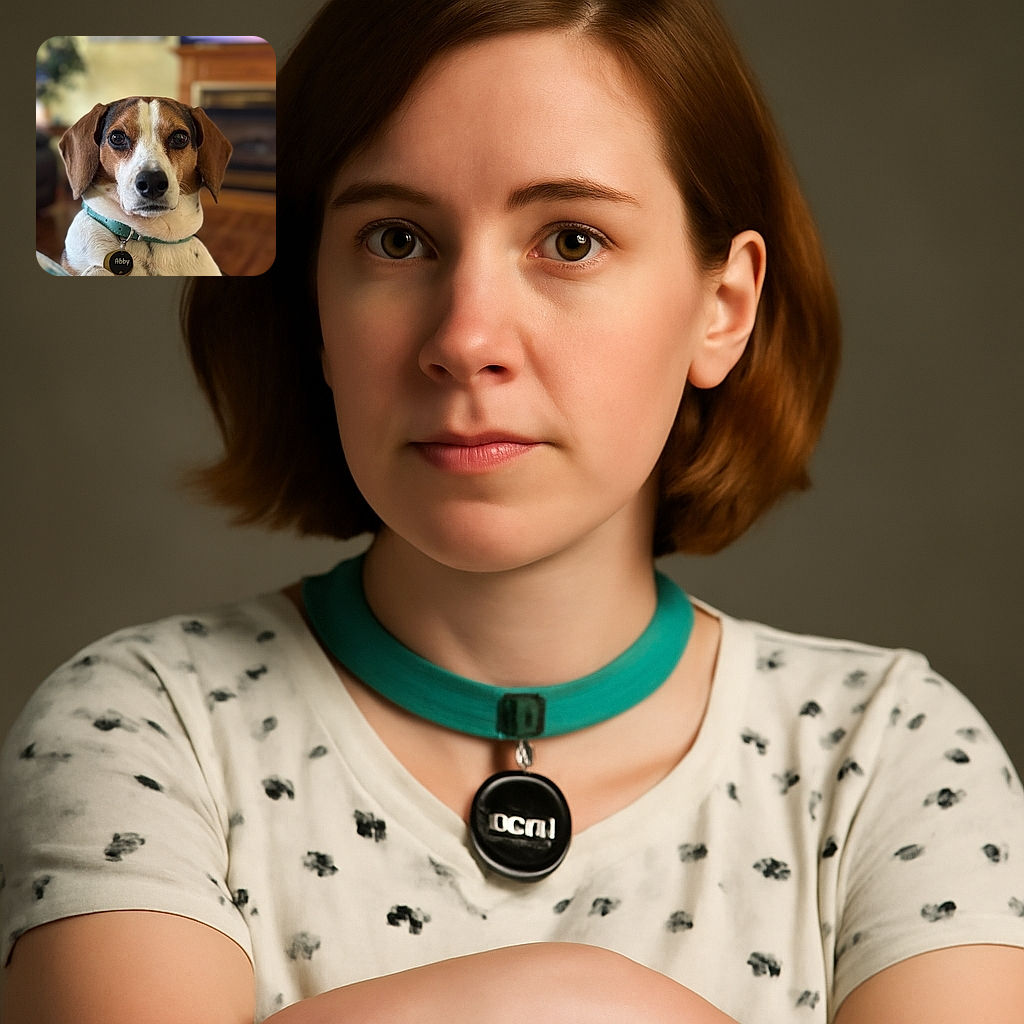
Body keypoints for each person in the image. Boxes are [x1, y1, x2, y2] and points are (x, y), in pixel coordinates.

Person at [2, 0, 1023, 1020]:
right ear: (310, 301)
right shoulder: (144, 727)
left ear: (724, 306)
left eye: (570, 239)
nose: (467, 335)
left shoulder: (892, 755)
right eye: (395, 238)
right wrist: (584, 998)